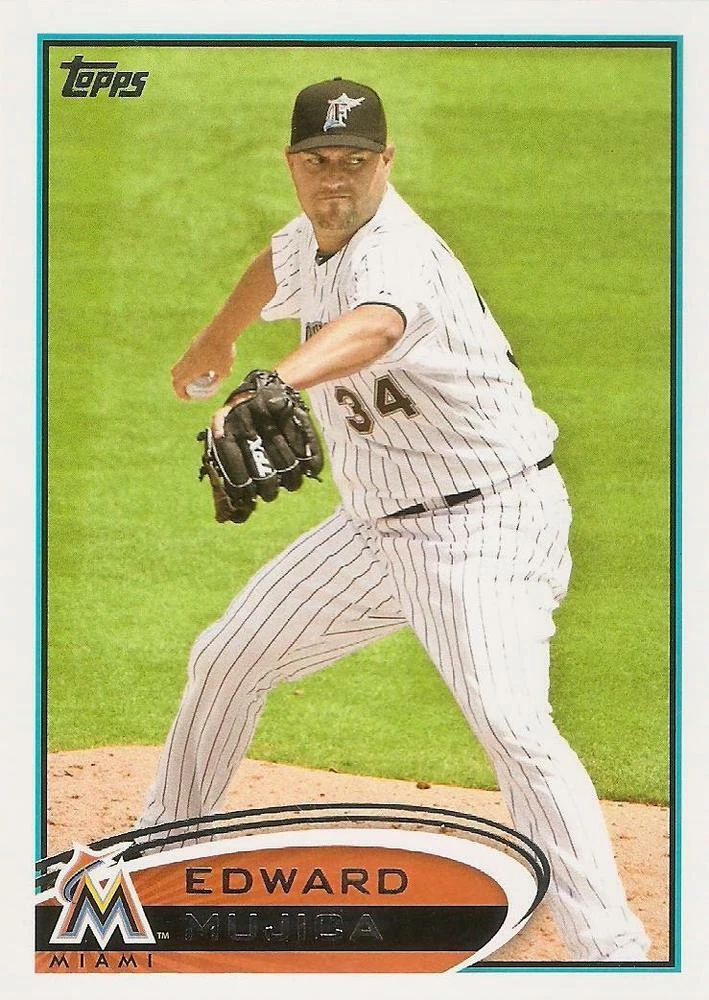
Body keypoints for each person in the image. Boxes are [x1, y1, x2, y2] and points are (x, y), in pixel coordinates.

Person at [139, 78, 650, 962]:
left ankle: (610, 952)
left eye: (354, 160)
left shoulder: (398, 253)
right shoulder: (315, 235)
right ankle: (157, 856)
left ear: (386, 163)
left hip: (484, 526)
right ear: (292, 165)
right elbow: (278, 262)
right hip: (373, 529)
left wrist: (273, 380)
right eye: (318, 161)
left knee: (511, 723)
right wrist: (219, 338)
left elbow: (376, 325)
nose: (334, 178)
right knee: (227, 658)